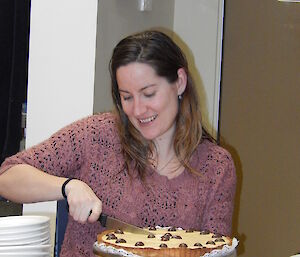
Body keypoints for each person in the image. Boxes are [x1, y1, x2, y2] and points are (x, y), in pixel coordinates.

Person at [0, 30, 236, 257]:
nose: (138, 110)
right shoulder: (95, 136)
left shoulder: (216, 166)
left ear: (180, 82)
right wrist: (68, 187)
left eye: (149, 93)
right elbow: (7, 176)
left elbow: (215, 250)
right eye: (127, 97)